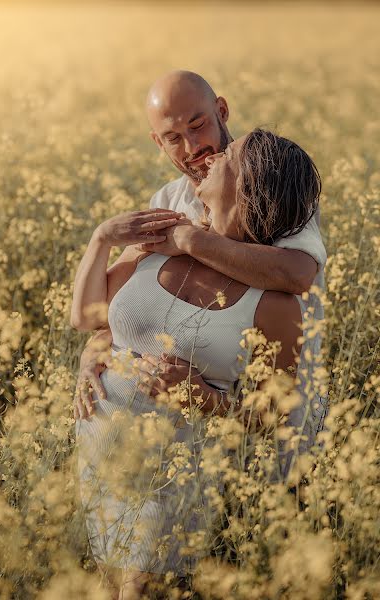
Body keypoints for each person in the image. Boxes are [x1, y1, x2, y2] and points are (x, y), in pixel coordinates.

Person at [72, 128, 327, 599]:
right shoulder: (166, 230)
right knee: (106, 577)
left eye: (225, 155)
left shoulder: (275, 303)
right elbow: (92, 318)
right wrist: (93, 352)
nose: (204, 159)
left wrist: (206, 399)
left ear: (248, 186)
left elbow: (272, 415)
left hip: (174, 471)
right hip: (101, 444)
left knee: (139, 587)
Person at [73, 70, 327, 425]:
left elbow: (295, 274)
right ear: (157, 142)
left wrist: (191, 240)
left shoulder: (274, 182)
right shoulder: (167, 201)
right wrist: (98, 345)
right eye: (173, 137)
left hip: (267, 423)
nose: (193, 148)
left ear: (221, 110)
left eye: (198, 125)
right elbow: (116, 308)